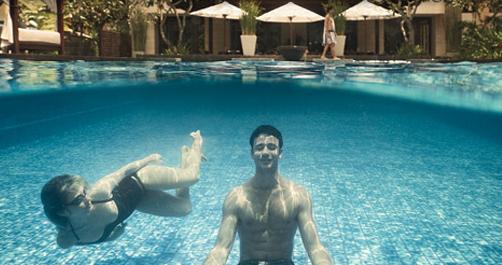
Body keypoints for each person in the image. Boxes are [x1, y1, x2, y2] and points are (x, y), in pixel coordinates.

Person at [41, 130, 203, 248]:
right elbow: (100, 237)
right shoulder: (68, 239)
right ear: (62, 211)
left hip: (140, 178)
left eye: (84, 192)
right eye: (79, 199)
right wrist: (113, 236)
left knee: (193, 176)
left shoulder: (98, 194)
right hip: (136, 201)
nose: (87, 198)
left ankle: (197, 143)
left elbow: (124, 172)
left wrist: (149, 159)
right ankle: (184, 158)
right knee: (185, 208)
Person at [204, 125, 332, 265]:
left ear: (280, 152)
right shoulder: (236, 198)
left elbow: (315, 248)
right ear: (252, 153)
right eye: (259, 148)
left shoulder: (298, 195)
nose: (265, 152)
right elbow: (221, 249)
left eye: (271, 147)